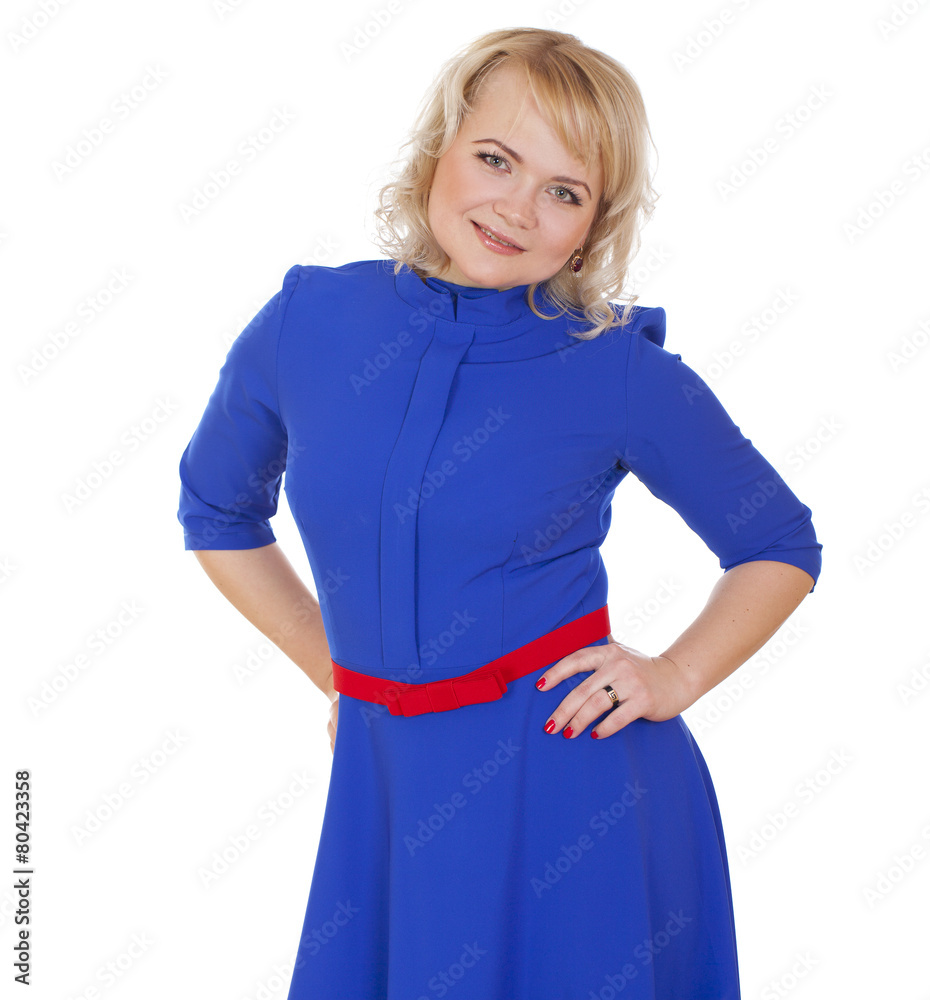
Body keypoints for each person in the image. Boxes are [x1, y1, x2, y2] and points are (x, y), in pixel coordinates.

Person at [176, 27, 821, 1000]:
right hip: (382, 783)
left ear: (593, 223)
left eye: (563, 191)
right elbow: (217, 509)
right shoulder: (308, 321)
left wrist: (675, 672)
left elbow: (777, 542)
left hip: (572, 784)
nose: (516, 206)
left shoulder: (617, 371)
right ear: (440, 144)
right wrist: (336, 671)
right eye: (495, 158)